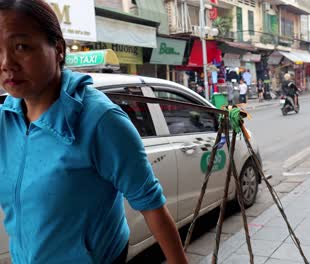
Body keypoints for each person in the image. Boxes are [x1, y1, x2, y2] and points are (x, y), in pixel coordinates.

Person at [0, 1, 188, 263]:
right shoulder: (5, 121)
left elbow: (151, 205)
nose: (7, 63)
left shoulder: (101, 121)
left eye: (21, 47)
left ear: (58, 49)